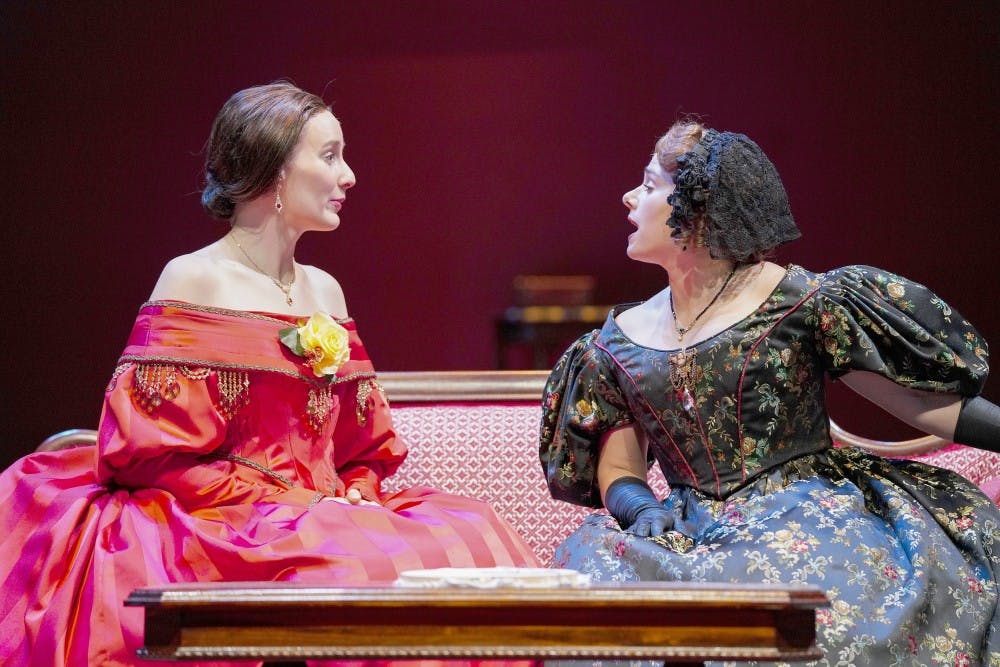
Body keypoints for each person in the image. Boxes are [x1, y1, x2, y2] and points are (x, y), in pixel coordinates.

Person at [0, 81, 539, 666]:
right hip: (214, 518)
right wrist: (296, 504)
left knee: (472, 541)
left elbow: (363, 447)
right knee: (369, 567)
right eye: (329, 156)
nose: (350, 175)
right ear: (275, 170)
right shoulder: (194, 279)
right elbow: (152, 456)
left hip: (313, 512)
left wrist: (355, 494)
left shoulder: (324, 291)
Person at [539, 121, 1000, 666]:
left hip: (810, 512)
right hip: (687, 531)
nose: (629, 197)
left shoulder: (802, 301)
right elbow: (621, 471)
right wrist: (639, 506)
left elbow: (920, 405)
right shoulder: (614, 343)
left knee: (824, 625)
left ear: (696, 208)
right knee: (600, 618)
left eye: (648, 184)